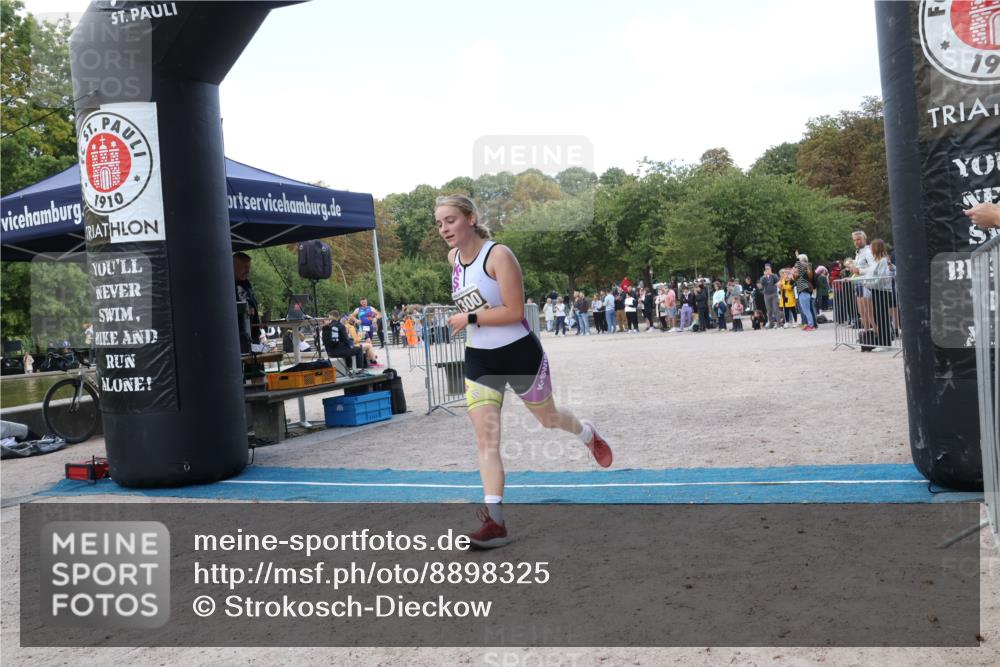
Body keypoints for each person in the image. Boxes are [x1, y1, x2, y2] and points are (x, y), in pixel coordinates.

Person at [436, 194, 612, 549]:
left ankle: (587, 433)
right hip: (480, 358)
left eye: (450, 220)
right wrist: (470, 321)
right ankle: (495, 523)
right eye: (439, 223)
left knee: (548, 418)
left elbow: (515, 311)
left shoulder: (498, 255)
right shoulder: (453, 258)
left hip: (519, 354)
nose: (444, 229)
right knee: (487, 441)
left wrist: (468, 317)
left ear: (470, 218)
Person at [233, 252, 262, 346]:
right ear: (233, 266)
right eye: (245, 267)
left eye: (249, 267)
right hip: (239, 337)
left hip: (254, 334)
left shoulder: (246, 283)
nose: (248, 271)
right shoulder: (227, 285)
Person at [851, 231, 875, 331]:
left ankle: (876, 332)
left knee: (868, 311)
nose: (856, 242)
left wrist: (859, 270)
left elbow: (874, 268)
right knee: (861, 311)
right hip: (858, 284)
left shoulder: (868, 252)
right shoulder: (858, 252)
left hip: (866, 285)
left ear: (865, 239)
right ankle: (866, 332)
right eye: (855, 240)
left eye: (859, 239)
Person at [794, 253, 816, 331]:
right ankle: (809, 324)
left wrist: (797, 257)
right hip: (802, 291)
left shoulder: (804, 268)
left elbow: (799, 265)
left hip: (804, 291)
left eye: (800, 261)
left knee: (806, 310)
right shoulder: (803, 271)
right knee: (805, 310)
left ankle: (811, 325)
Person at [760, 263, 780, 329]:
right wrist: (764, 276)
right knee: (769, 310)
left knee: (776, 309)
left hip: (774, 294)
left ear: (770, 269)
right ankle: (771, 324)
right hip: (766, 295)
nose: (767, 270)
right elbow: (761, 284)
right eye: (766, 269)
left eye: (768, 269)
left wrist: (771, 274)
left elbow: (777, 281)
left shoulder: (774, 275)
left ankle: (778, 324)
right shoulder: (763, 277)